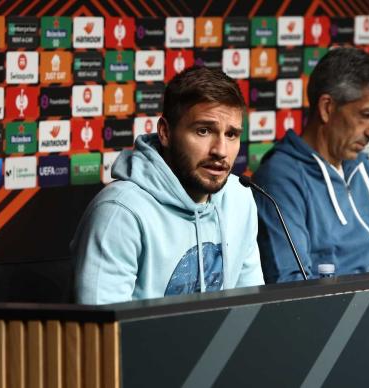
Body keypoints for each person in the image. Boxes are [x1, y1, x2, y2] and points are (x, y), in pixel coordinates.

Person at [73, 66, 264, 304]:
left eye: (232, 135)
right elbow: (105, 337)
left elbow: (251, 311)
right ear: (165, 132)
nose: (220, 151)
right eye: (204, 131)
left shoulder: (239, 198)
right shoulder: (120, 213)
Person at [252, 47, 369, 283]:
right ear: (327, 108)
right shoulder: (280, 178)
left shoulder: (362, 167)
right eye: (368, 114)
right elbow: (291, 287)